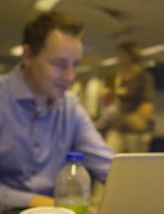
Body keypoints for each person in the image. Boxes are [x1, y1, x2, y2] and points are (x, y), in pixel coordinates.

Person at [0, 11, 115, 212]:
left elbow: (108, 165)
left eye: (75, 65)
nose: (70, 77)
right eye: (59, 64)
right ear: (27, 55)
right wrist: (40, 201)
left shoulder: (70, 107)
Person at [106, 42, 155, 153]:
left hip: (135, 131)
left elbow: (147, 103)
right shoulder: (121, 77)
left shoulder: (144, 77)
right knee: (110, 158)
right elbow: (119, 101)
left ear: (130, 55)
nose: (118, 57)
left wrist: (135, 121)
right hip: (119, 126)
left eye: (121, 54)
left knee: (135, 166)